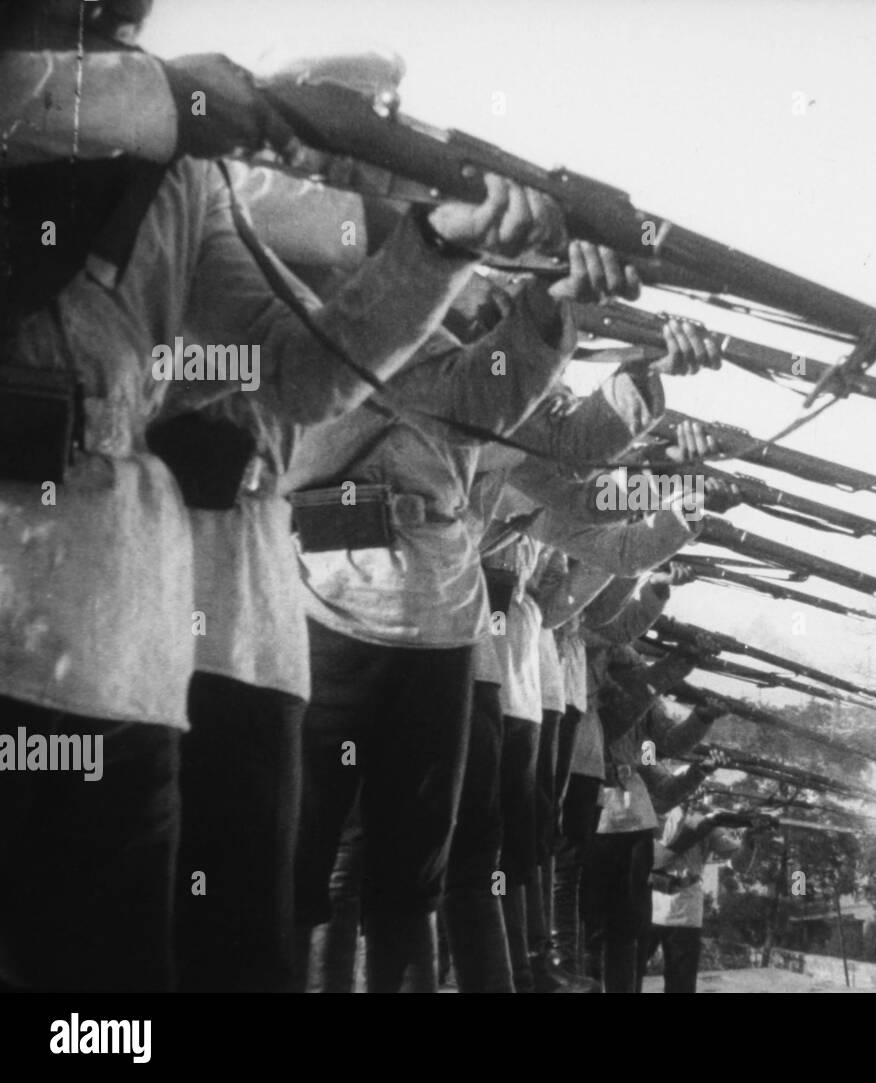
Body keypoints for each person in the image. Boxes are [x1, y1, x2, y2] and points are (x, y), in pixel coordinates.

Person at [0, 0, 565, 991]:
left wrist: (440, 246)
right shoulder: (157, 127)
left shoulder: (183, 172)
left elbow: (299, 374)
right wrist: (169, 98)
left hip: (115, 659)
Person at [643, 798, 769, 993]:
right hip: (648, 903)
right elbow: (655, 856)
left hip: (685, 909)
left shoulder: (708, 820)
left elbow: (739, 864)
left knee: (681, 983)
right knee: (627, 973)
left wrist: (748, 839)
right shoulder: (654, 810)